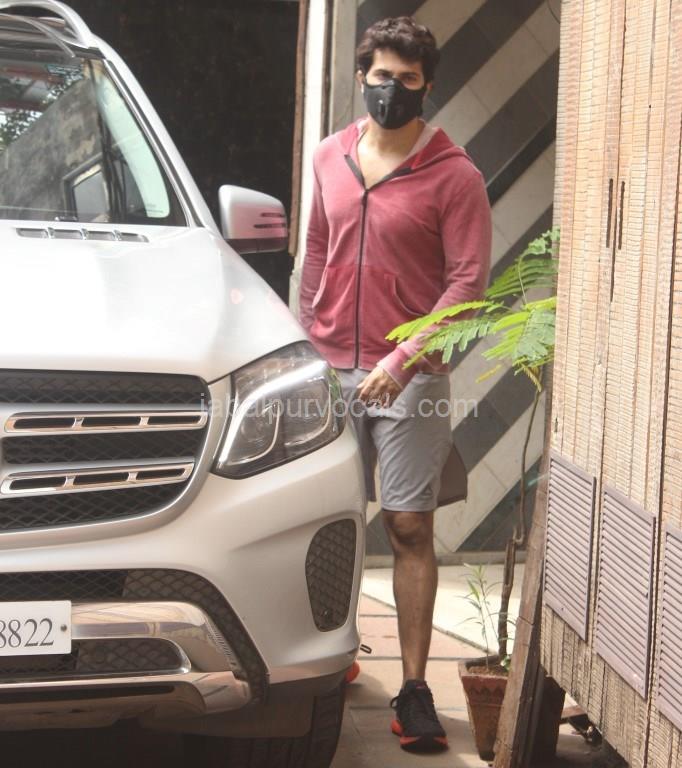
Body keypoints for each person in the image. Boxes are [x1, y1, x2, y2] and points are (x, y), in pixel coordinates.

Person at [298, 16, 492, 754]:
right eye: (381, 76)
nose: (392, 91)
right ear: (362, 78)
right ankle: (333, 654)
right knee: (329, 520)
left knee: (408, 525)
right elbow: (316, 252)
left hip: (414, 375)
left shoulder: (456, 175)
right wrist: (304, 347)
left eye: (408, 80)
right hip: (329, 369)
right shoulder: (329, 156)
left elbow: (467, 285)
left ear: (427, 86)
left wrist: (401, 360)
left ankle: (414, 690)